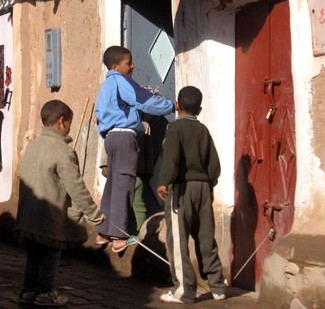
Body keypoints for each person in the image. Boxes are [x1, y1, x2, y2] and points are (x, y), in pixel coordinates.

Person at [14, 99, 105, 307]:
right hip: (49, 216)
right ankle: (45, 292)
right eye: (69, 123)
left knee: (34, 255)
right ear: (62, 121)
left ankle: (28, 291)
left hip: (28, 215)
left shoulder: (33, 145)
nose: (69, 128)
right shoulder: (63, 152)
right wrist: (95, 214)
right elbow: (76, 187)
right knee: (49, 255)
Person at [94, 45, 174, 253]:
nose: (132, 66)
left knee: (112, 185)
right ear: (116, 66)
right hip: (124, 136)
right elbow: (144, 101)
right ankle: (120, 235)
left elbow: (99, 116)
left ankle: (103, 231)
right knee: (125, 184)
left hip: (110, 138)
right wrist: (171, 106)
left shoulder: (105, 87)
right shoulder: (122, 81)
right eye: (128, 63)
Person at [156, 86, 226, 304]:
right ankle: (217, 286)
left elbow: (172, 158)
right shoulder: (204, 130)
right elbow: (214, 164)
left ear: (177, 105)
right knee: (206, 237)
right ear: (200, 109)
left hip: (181, 188)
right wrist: (210, 185)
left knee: (177, 240)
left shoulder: (174, 128)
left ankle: (184, 291)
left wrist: (163, 182)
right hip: (204, 188)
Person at [97, 112, 160, 236]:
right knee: (115, 202)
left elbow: (148, 149)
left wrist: (148, 170)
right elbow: (108, 143)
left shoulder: (145, 125)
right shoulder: (117, 121)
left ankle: (139, 235)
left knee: (138, 204)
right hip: (118, 171)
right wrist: (105, 164)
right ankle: (110, 232)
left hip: (137, 171)